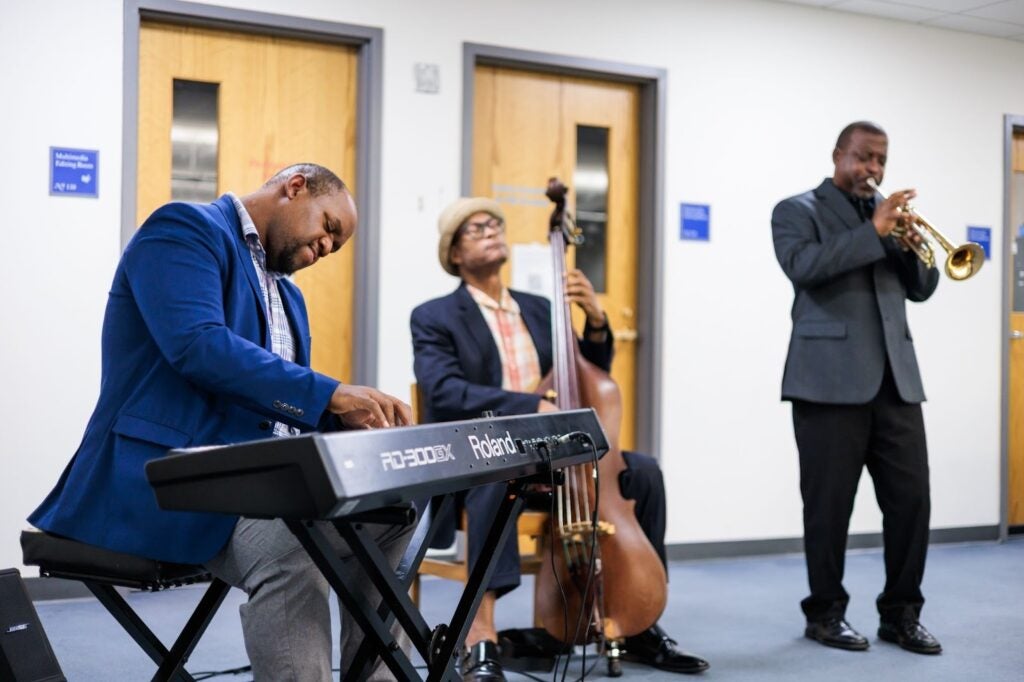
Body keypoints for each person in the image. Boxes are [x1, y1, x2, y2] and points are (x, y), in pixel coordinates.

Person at [29, 164, 415, 680]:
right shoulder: (183, 230)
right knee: (295, 548)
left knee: (387, 514)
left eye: (335, 246)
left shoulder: (290, 297)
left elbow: (276, 406)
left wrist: (344, 426)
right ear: (294, 186)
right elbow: (199, 347)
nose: (326, 248)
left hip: (254, 486)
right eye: (328, 228)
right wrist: (332, 394)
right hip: (163, 481)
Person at [410, 197, 710, 679]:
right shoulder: (435, 316)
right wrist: (531, 406)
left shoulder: (540, 308)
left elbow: (585, 375)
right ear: (455, 254)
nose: (491, 230)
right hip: (488, 453)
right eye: (475, 229)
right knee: (496, 480)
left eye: (495, 223)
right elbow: (442, 390)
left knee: (645, 472)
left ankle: (640, 621)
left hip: (555, 454)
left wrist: (594, 319)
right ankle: (481, 634)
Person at [771, 122, 942, 655]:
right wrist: (874, 231)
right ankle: (825, 613)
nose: (873, 169)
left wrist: (910, 245)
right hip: (825, 383)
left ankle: (901, 613)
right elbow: (805, 266)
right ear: (838, 155)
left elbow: (923, 288)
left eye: (881, 160)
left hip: (896, 381)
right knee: (828, 507)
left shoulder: (887, 218)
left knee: (912, 503)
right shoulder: (796, 210)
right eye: (864, 157)